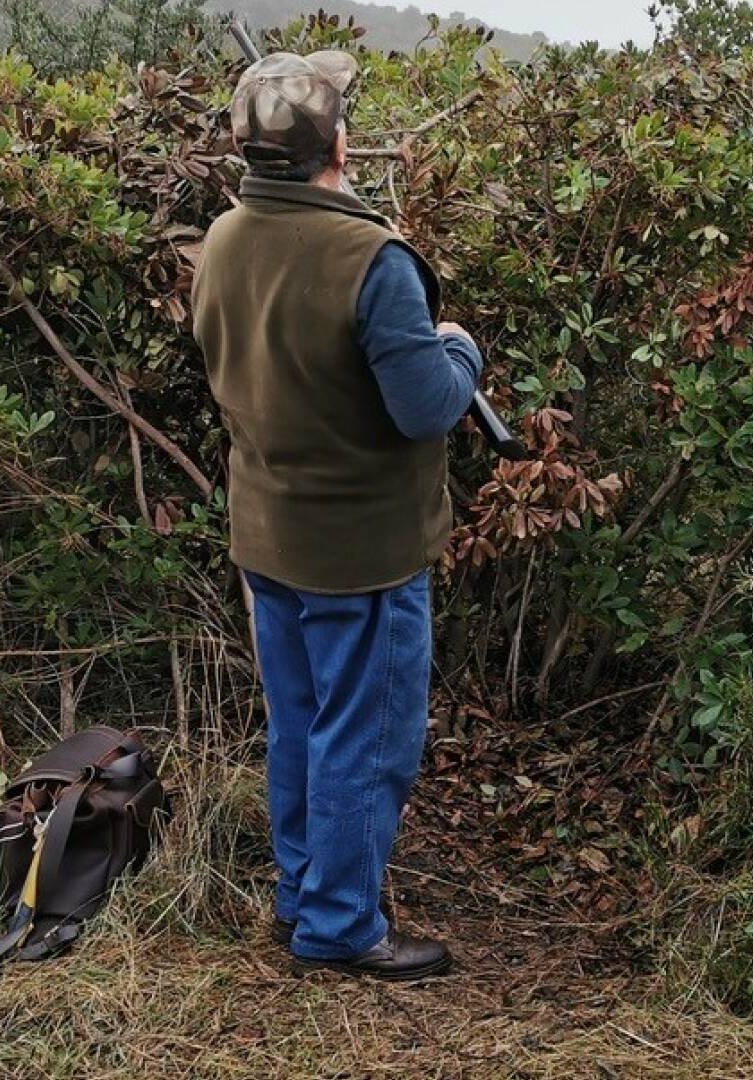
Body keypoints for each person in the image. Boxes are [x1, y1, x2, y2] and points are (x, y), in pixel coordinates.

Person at [190, 50, 481, 981]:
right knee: (366, 735)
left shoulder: (225, 238)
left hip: (267, 532)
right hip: (364, 551)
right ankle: (343, 927)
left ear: (247, 150)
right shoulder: (375, 260)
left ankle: (303, 894)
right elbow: (428, 408)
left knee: (302, 721)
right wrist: (462, 351)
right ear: (339, 146)